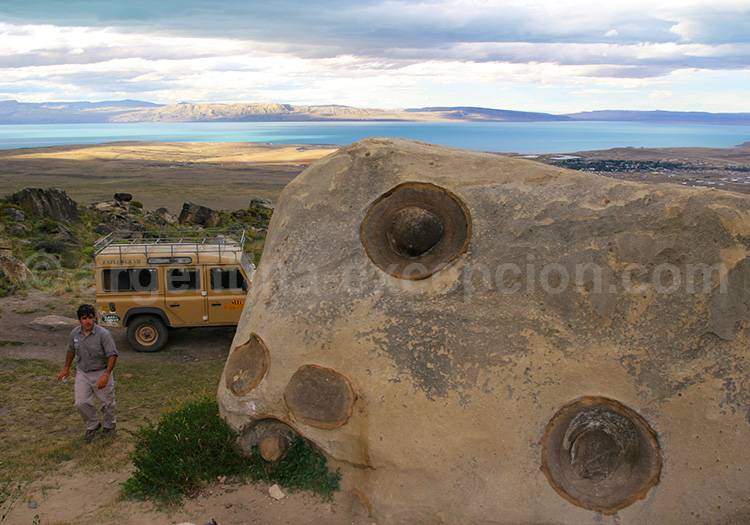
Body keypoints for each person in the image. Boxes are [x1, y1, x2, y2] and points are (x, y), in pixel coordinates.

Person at [57, 304, 119, 442]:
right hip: (83, 372)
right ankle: (93, 425)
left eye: (90, 317)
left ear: (95, 318)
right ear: (79, 320)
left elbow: (112, 355)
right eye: (84, 318)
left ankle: (109, 427)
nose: (88, 321)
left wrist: (106, 374)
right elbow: (71, 350)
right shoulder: (74, 333)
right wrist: (66, 368)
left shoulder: (104, 334)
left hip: (102, 371)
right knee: (81, 402)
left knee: (107, 403)